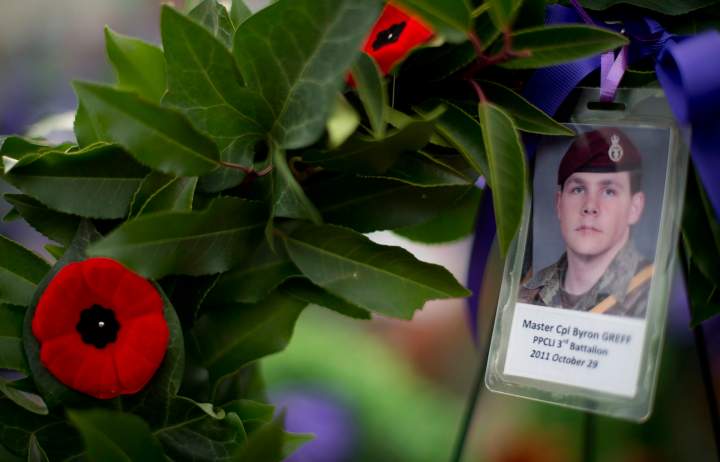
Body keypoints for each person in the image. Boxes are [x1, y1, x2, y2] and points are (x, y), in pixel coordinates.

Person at [519, 128, 653, 318]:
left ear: (634, 207)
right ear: (559, 204)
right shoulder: (527, 293)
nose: (590, 206)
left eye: (609, 191)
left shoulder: (654, 294)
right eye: (578, 189)